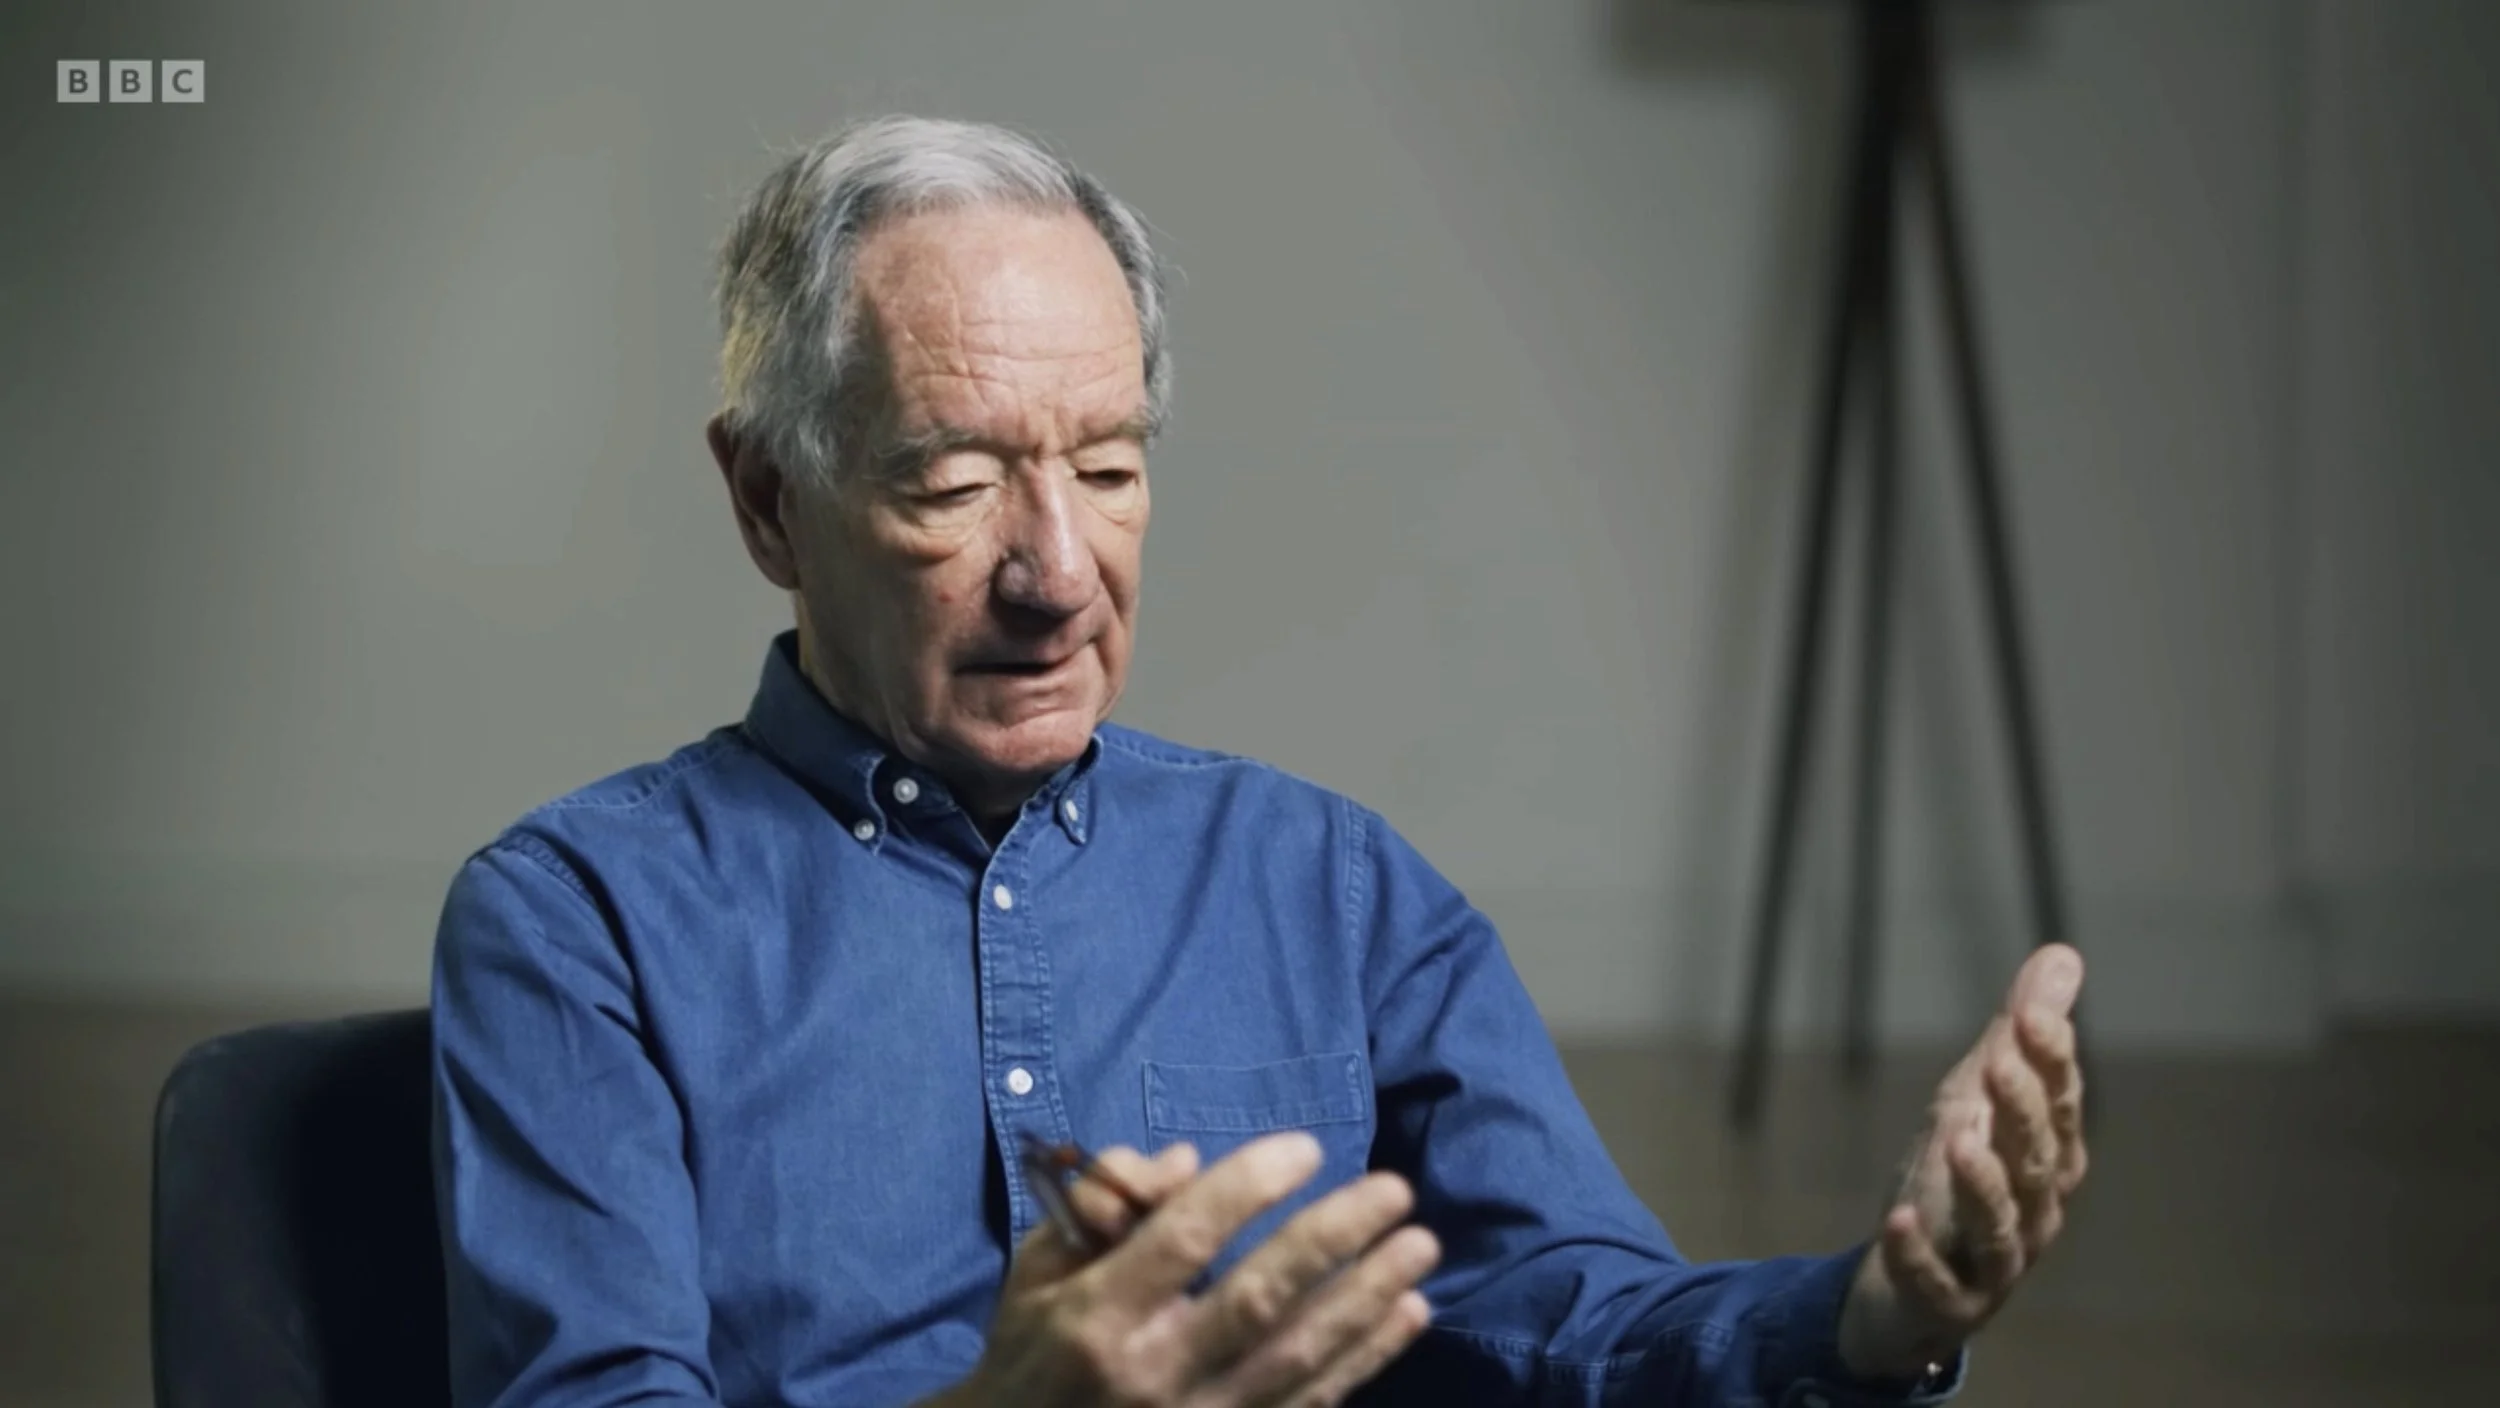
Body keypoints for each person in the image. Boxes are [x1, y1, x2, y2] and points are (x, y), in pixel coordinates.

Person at [430, 115, 2088, 1408]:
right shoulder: (578, 923)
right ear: (768, 503)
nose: (1059, 570)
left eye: (1111, 466)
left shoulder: (1333, 887)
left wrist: (1872, 1316)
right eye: (952, 486)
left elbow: (1578, 1319)